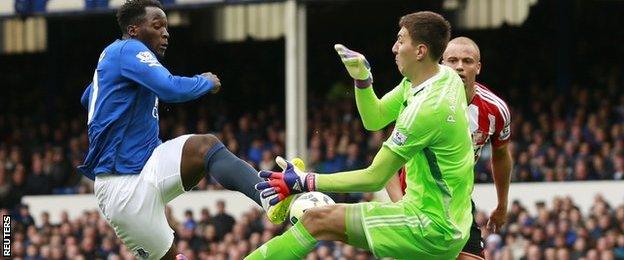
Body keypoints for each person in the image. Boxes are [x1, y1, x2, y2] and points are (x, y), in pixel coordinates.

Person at [248, 11, 474, 259]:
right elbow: (374, 118)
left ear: (420, 51)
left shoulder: (427, 110)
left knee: (316, 220)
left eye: (401, 40)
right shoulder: (442, 76)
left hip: (429, 227)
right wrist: (362, 80)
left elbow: (375, 177)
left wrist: (305, 181)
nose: (394, 48)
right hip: (449, 221)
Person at [79, 1, 288, 259]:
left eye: (166, 27)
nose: (165, 33)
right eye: (157, 26)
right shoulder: (127, 49)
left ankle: (271, 197)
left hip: (149, 165)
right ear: (133, 30)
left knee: (206, 147)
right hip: (121, 188)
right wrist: (205, 81)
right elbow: (170, 88)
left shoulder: (116, 60)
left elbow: (87, 97)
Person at [385, 36, 514, 259]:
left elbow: (501, 155)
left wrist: (502, 205)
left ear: (479, 67)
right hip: (416, 202)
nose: (460, 67)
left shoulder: (495, 110)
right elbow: (387, 162)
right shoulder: (421, 102)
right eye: (452, 60)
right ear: (442, 65)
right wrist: (400, 206)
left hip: (458, 203)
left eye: (468, 61)